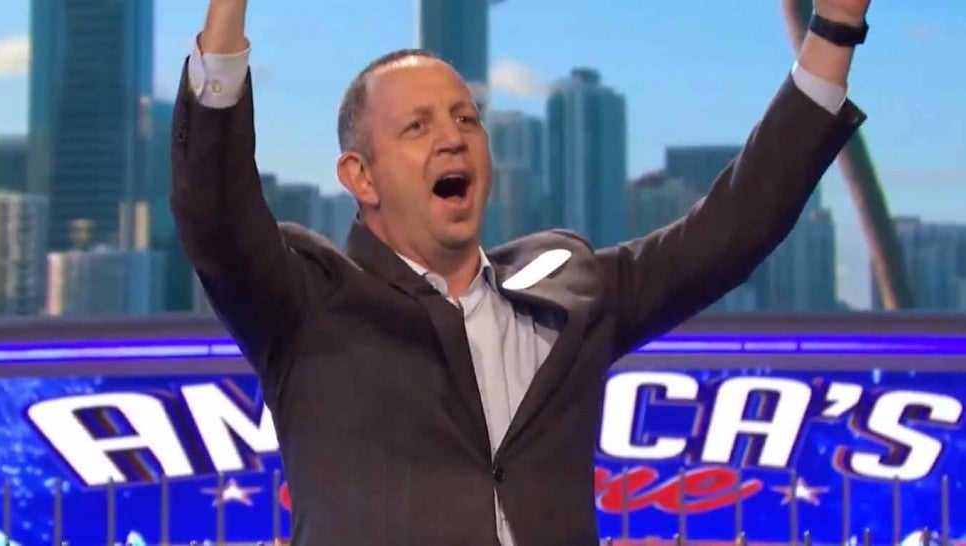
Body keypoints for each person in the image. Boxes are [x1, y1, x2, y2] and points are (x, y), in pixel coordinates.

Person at [171, 0, 872, 544]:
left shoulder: (569, 291)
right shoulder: (307, 303)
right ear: (361, 176)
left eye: (466, 119)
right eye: (417, 127)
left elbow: (733, 228)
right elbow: (214, 209)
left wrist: (835, 28)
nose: (452, 137)